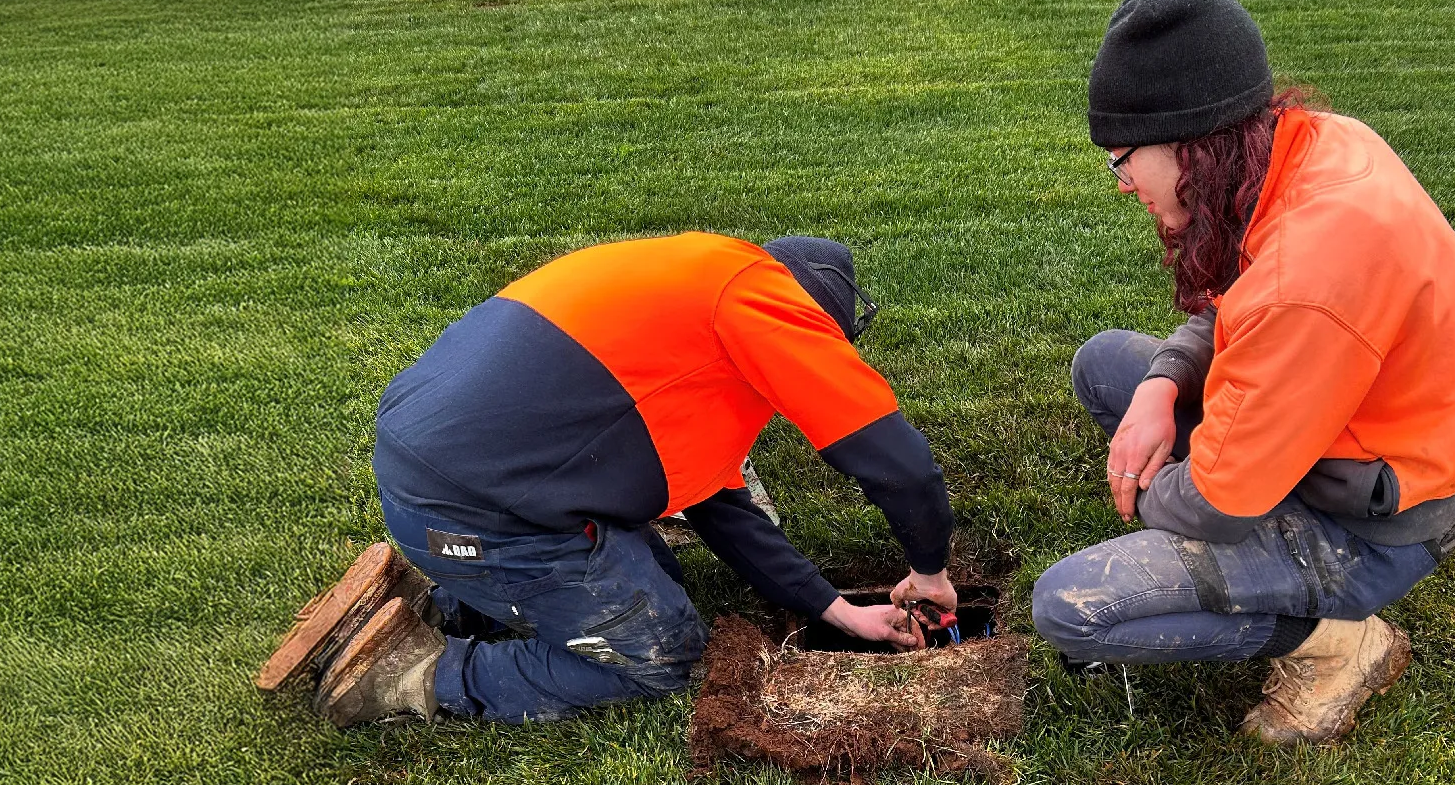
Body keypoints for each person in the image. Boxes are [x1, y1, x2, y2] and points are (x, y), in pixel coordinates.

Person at [1032, 0, 1455, 745]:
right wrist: (1159, 389)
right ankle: (1230, 499)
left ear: (1187, 141)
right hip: (1354, 444)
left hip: (1375, 522)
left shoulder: (1308, 275)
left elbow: (1218, 503)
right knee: (1107, 365)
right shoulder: (1310, 148)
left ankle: (1341, 646)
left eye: (1122, 160)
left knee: (1074, 608)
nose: (1123, 186)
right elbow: (1233, 306)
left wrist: (1147, 488)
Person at [291, 231, 957, 726]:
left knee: (656, 577)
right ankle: (410, 673)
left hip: (443, 471)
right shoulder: (768, 306)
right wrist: (929, 571)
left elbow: (724, 509)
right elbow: (902, 468)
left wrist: (836, 611)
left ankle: (434, 603)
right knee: (662, 652)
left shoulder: (697, 294)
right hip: (473, 509)